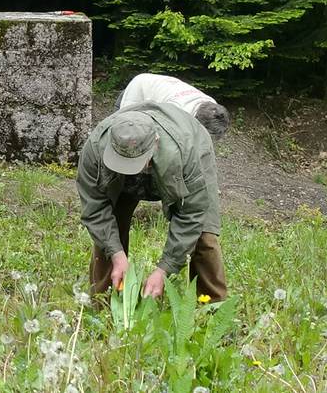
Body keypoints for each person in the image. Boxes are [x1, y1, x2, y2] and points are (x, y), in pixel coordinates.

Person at [77, 102, 226, 301]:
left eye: (135, 163)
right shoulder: (95, 148)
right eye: (123, 162)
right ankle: (102, 306)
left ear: (155, 143)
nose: (130, 169)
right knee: (107, 233)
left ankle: (213, 311)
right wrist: (116, 253)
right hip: (120, 173)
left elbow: (191, 216)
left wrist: (164, 270)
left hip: (184, 155)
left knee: (205, 236)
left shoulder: (186, 153)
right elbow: (95, 209)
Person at [117, 73, 230, 140]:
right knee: (124, 130)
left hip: (162, 90)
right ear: (198, 122)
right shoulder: (176, 109)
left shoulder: (213, 105)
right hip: (139, 88)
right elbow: (160, 134)